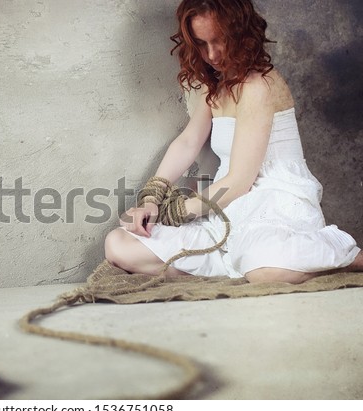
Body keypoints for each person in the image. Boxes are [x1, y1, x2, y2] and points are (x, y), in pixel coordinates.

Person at [104, 0, 362, 284]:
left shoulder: (259, 85)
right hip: (226, 211)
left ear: (241, 34)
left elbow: (240, 181)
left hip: (274, 205)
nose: (212, 54)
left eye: (219, 40)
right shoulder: (216, 84)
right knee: (118, 244)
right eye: (201, 44)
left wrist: (172, 213)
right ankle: (237, 262)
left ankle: (348, 257)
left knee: (265, 269)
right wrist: (151, 198)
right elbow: (188, 143)